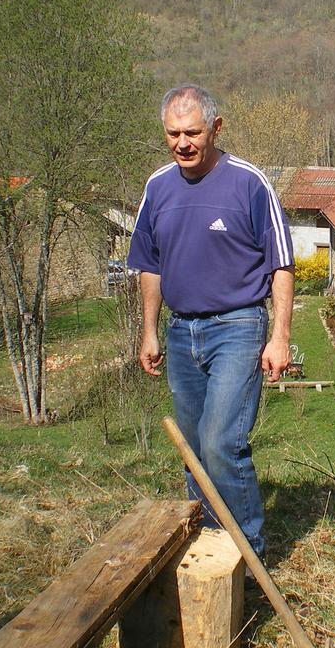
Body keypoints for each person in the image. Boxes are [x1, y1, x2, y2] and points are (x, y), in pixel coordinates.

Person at [127, 83, 294, 559]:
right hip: (181, 331)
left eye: (193, 133)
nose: (182, 143)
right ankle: (209, 546)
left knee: (221, 442)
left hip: (238, 326)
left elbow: (281, 264)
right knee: (194, 449)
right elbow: (150, 265)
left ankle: (248, 557)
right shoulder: (158, 187)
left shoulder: (249, 183)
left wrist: (280, 337)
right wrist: (149, 331)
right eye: (173, 133)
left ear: (216, 128)